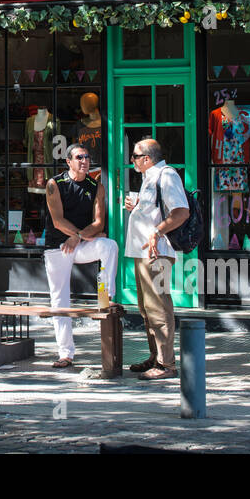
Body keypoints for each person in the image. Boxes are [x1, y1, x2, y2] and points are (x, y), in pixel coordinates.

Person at [43, 144, 118, 369]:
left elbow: (99, 222)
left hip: (80, 243)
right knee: (59, 299)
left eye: (87, 157)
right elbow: (57, 220)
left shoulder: (97, 186)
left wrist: (78, 237)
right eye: (79, 157)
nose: (84, 161)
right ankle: (65, 353)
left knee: (109, 245)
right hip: (58, 247)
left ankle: (105, 297)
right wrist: (78, 235)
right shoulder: (54, 184)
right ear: (69, 161)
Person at [123, 138, 189, 380]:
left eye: (135, 156)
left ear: (147, 158)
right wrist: (137, 206)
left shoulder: (167, 175)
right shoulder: (149, 177)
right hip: (143, 252)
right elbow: (155, 209)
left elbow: (181, 211)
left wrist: (158, 231)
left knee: (158, 308)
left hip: (157, 252)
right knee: (146, 309)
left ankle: (166, 364)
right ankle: (156, 357)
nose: (132, 160)